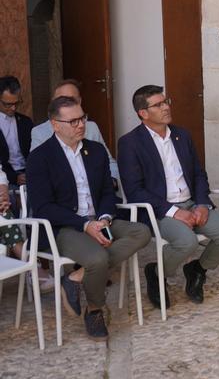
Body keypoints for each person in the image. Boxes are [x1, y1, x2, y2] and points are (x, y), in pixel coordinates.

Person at [27, 96, 151, 340]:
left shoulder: (94, 151)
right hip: (64, 227)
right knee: (97, 258)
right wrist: (85, 225)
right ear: (55, 124)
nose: (81, 125)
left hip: (98, 219)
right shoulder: (40, 157)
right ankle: (94, 310)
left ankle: (74, 278)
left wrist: (104, 218)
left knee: (142, 231)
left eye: (82, 118)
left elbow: (107, 191)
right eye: (72, 121)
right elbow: (43, 207)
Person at [118, 85, 219, 310]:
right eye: (158, 105)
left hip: (192, 203)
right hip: (159, 211)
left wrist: (202, 204)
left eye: (166, 102)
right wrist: (175, 212)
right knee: (187, 242)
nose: (165, 108)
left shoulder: (181, 135)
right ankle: (156, 272)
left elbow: (198, 173)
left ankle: (197, 270)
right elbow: (134, 190)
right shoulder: (130, 143)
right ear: (143, 113)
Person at [31, 79, 119, 181]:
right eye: (61, 101)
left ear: (79, 102)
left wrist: (112, 181)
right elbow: (37, 170)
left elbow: (109, 162)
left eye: (71, 100)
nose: (81, 126)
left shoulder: (91, 127)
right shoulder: (40, 132)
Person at [0, 76, 32, 188]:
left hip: (29, 174)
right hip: (5, 177)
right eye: (7, 104)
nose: (13, 108)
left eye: (16, 103)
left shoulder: (26, 122)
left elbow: (34, 152)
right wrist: (13, 177)